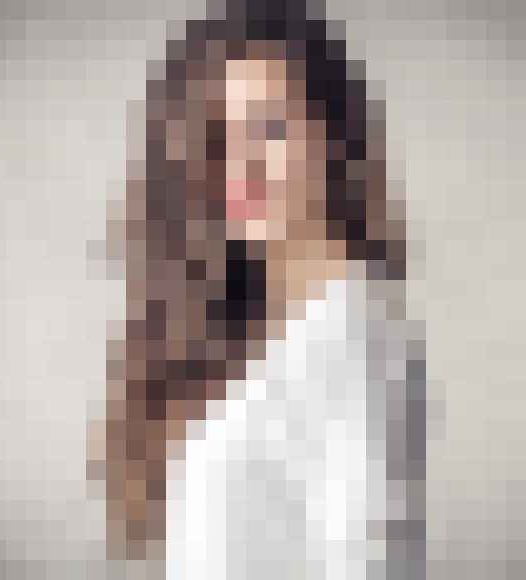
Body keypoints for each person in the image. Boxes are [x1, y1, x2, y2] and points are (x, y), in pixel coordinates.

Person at [101, 0, 424, 576]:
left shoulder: (357, 342)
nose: (241, 165)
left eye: (269, 128)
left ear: (333, 139)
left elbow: (369, 563)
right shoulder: (259, 328)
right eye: (221, 137)